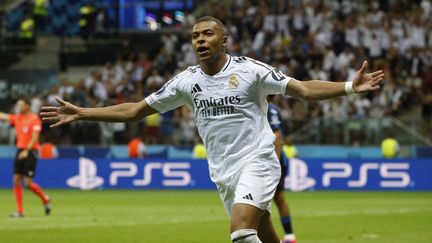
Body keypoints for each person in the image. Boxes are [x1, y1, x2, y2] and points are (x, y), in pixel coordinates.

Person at [41, 16, 384, 243]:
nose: (200, 40)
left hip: (258, 160)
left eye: (207, 34)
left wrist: (349, 87)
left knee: (240, 231)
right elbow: (134, 111)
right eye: (194, 36)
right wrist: (83, 112)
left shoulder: (250, 71)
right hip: (223, 172)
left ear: (224, 40)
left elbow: (304, 90)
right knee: (262, 234)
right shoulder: (186, 82)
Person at [0, 98, 51, 217]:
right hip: (20, 150)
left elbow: (35, 137)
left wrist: (27, 151)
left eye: (21, 105)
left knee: (28, 183)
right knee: (16, 180)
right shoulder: (18, 117)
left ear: (27, 106)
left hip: (31, 151)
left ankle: (45, 199)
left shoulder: (34, 119)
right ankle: (20, 211)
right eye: (18, 105)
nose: (19, 107)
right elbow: (4, 116)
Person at [267, 97, 296, 243]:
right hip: (265, 161)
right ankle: (289, 236)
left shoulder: (270, 109)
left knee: (273, 199)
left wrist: (275, 164)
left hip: (271, 162)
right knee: (276, 199)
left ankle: (288, 237)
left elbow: (277, 136)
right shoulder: (264, 106)